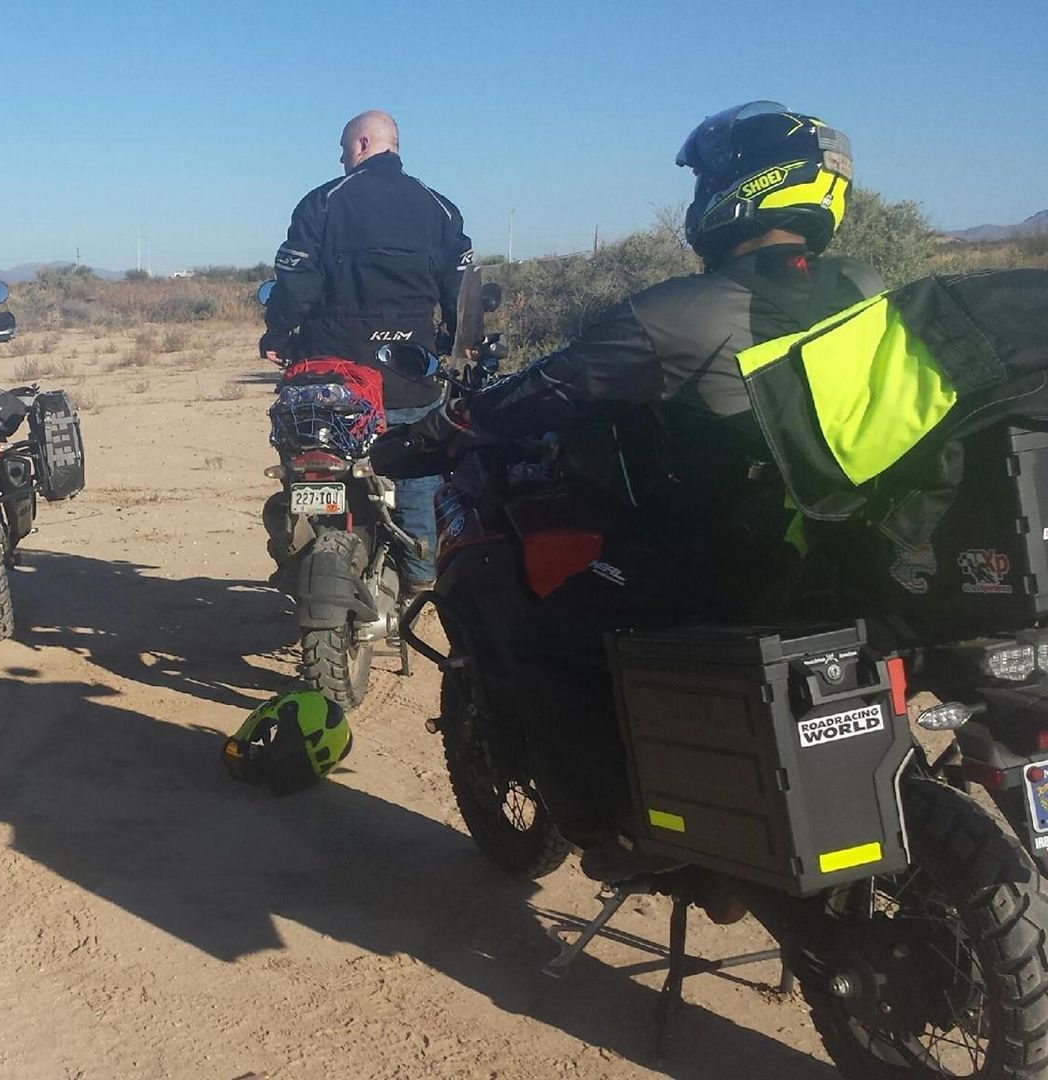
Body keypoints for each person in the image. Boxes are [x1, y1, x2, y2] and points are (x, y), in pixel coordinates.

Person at [383, 102, 880, 876]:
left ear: (737, 190)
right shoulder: (866, 290)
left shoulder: (688, 310)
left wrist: (443, 430)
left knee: (548, 634)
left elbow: (551, 388)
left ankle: (618, 830)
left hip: (728, 558)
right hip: (853, 550)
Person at [260, 109, 474, 589]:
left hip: (332, 381)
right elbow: (461, 288)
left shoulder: (323, 203)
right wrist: (458, 344)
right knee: (418, 468)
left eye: (342, 152)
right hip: (407, 378)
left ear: (359, 145)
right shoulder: (438, 207)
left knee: (306, 462)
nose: (341, 161)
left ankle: (301, 555)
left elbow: (295, 283)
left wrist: (277, 335)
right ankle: (421, 575)